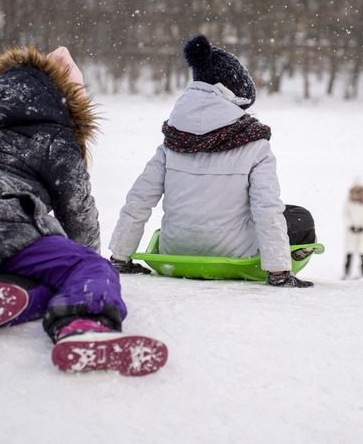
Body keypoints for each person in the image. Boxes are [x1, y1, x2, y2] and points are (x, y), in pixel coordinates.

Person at [0, 46, 167, 375]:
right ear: (70, 97)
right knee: (87, 270)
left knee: (38, 272)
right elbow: (78, 211)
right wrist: (86, 263)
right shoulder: (54, 132)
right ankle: (84, 326)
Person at [108, 34, 316, 288]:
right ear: (235, 97)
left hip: (176, 249)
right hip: (235, 252)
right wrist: (278, 272)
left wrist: (120, 257)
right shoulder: (255, 144)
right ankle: (281, 260)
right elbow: (267, 209)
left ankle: (132, 253)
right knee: (300, 218)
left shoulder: (172, 139)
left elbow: (138, 200)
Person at [343, 178, 363, 279]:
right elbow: (345, 213)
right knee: (350, 251)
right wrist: (350, 225)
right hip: (351, 231)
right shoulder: (349, 199)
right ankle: (347, 273)